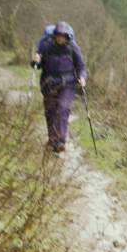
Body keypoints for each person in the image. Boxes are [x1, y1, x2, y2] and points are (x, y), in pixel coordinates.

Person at [32, 21, 86, 153]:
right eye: (58, 35)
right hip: (48, 83)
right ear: (54, 35)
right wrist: (35, 60)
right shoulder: (46, 46)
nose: (61, 38)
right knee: (50, 111)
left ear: (67, 36)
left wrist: (82, 77)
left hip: (67, 84)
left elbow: (81, 66)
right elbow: (37, 66)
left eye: (63, 36)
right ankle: (52, 139)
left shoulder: (73, 47)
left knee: (63, 108)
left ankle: (60, 142)